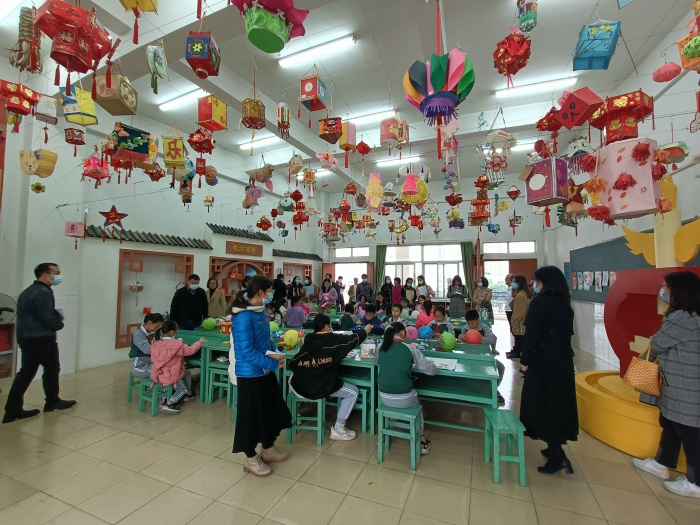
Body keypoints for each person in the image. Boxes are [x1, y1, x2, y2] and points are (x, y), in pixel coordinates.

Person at [632, 271, 700, 498]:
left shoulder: (683, 318)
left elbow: (658, 343)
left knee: (689, 432)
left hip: (685, 385)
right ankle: (662, 463)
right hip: (682, 383)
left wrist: (641, 361)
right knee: (670, 422)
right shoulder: (694, 315)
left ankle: (696, 482)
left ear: (678, 290)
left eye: (665, 287)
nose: (663, 290)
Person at [519, 266, 577, 475]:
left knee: (542, 404)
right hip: (561, 362)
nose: (535, 285)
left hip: (543, 362)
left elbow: (532, 334)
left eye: (537, 281)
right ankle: (554, 446)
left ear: (545, 282)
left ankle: (558, 457)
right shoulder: (565, 303)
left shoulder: (540, 303)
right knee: (557, 404)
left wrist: (525, 359)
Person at [232, 275, 290, 477]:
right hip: (250, 374)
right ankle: (250, 458)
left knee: (269, 410)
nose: (271, 295)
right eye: (270, 291)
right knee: (250, 416)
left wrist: (276, 353)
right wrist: (272, 363)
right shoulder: (242, 317)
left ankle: (268, 447)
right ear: (260, 292)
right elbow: (246, 352)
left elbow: (266, 340)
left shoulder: (260, 312)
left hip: (264, 371)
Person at [3, 263, 76, 423]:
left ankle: (14, 409)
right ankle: (51, 402)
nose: (59, 276)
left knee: (28, 372)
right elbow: (47, 317)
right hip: (41, 338)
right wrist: (59, 323)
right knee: (49, 369)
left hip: (28, 337)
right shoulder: (43, 292)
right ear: (45, 275)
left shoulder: (28, 291)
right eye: (56, 273)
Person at [289, 314, 373, 441]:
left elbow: (293, 363)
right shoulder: (333, 339)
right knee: (353, 392)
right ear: (326, 326)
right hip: (322, 386)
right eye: (329, 325)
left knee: (291, 378)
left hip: (301, 386)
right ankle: (338, 428)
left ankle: (293, 414)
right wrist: (365, 331)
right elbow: (352, 340)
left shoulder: (308, 339)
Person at [378, 322, 438, 454]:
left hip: (384, 397)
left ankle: (386, 432)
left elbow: (378, 362)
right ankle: (422, 440)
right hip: (405, 398)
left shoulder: (380, 347)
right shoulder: (411, 349)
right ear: (402, 333)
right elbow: (431, 371)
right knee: (418, 406)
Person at [150, 320, 203, 413]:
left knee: (186, 373)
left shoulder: (156, 344)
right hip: (173, 374)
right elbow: (190, 350)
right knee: (183, 387)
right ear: (173, 332)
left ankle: (164, 397)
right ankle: (170, 403)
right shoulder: (177, 345)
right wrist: (199, 342)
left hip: (159, 374)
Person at [463, 309, 506, 404]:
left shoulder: (484, 328)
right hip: (469, 355)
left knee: (501, 367)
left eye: (473, 323)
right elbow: (460, 338)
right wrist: (462, 337)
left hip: (484, 356)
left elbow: (492, 339)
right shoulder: (465, 328)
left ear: (478, 320)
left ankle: (494, 389)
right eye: (469, 323)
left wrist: (478, 338)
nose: (471, 326)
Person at [129, 313, 165, 378]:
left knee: (171, 370)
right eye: (156, 327)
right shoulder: (138, 334)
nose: (157, 329)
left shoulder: (151, 333)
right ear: (149, 323)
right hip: (140, 365)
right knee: (163, 372)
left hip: (150, 362)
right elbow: (148, 349)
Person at [506, 275, 533, 359]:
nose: (512, 283)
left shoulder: (520, 295)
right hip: (522, 320)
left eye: (514, 282)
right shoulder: (522, 293)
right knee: (518, 337)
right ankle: (516, 350)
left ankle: (517, 352)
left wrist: (514, 320)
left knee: (519, 336)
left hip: (520, 321)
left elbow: (519, 311)